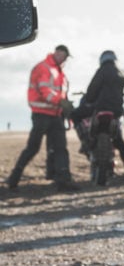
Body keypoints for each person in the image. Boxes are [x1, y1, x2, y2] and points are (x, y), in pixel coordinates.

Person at [5, 45, 79, 192]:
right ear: (57, 53)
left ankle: (63, 180)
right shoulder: (44, 68)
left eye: (65, 57)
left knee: (60, 148)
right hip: (41, 115)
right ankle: (14, 178)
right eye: (62, 55)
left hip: (55, 115)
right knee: (33, 148)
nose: (63, 59)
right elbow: (44, 90)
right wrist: (60, 101)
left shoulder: (59, 73)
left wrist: (65, 110)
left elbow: (61, 94)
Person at [70, 50, 124, 180]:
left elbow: (92, 90)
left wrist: (88, 100)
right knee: (119, 142)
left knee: (75, 115)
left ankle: (84, 140)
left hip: (100, 108)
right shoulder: (121, 73)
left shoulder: (102, 71)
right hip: (116, 111)